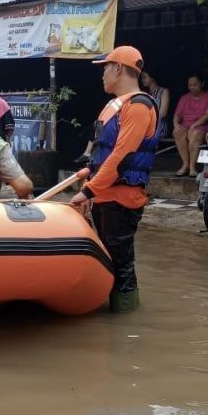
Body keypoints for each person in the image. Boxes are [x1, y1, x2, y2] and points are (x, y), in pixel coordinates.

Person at [70, 46, 160, 313]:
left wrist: (87, 192)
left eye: (105, 68)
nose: (102, 75)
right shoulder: (114, 106)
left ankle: (127, 326)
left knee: (122, 265)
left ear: (119, 68)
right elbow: (102, 155)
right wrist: (90, 181)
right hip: (105, 196)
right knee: (110, 260)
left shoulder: (139, 106)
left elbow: (122, 158)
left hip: (122, 199)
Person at [173, 73, 208, 176]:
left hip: (203, 125)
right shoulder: (184, 98)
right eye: (190, 85)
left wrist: (194, 125)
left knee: (195, 133)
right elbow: (177, 115)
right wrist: (176, 125)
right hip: (186, 125)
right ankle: (185, 165)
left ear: (202, 83)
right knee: (178, 133)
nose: (192, 87)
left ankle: (193, 167)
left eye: (195, 85)